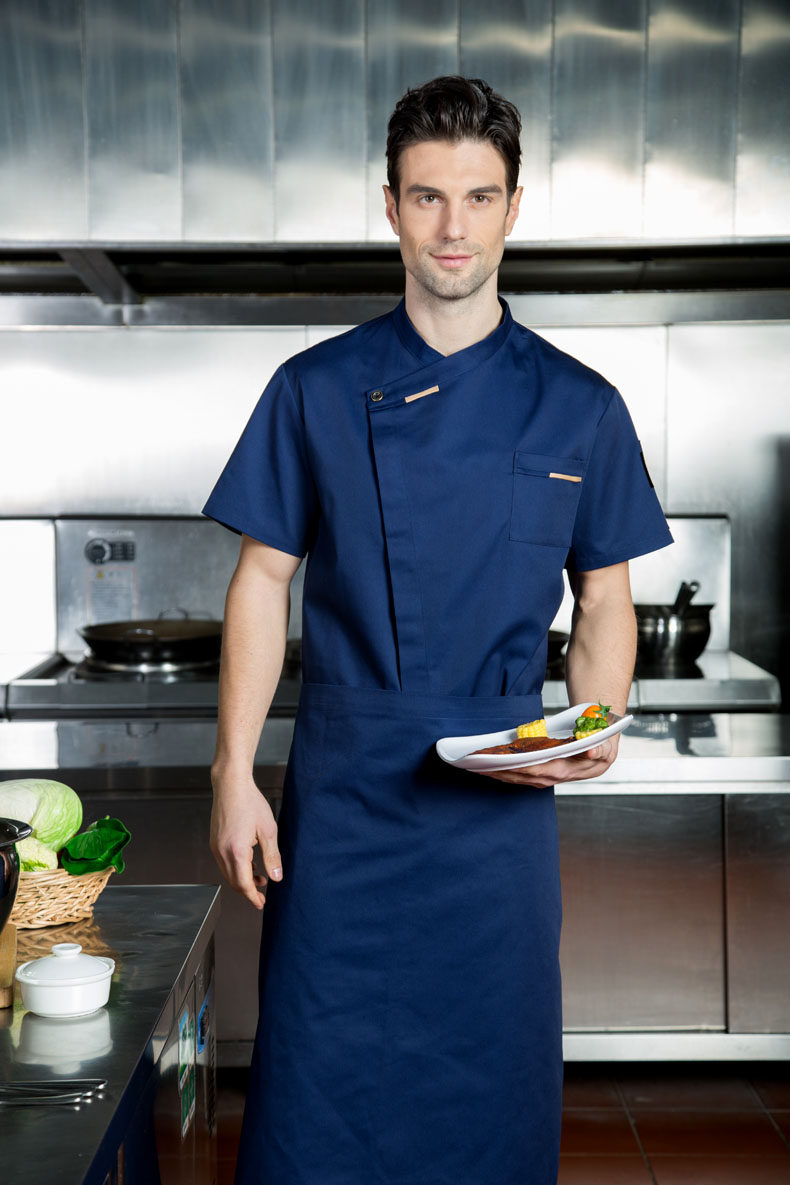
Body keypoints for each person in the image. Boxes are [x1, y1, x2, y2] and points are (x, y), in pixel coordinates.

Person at [204, 75, 672, 1185]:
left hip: (499, 807)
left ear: (514, 209)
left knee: (491, 1089)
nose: (452, 226)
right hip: (346, 801)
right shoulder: (314, 387)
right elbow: (261, 580)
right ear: (390, 207)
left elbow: (604, 598)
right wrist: (232, 770)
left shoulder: (581, 403)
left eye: (477, 196)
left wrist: (595, 720)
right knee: (317, 1085)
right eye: (426, 196)